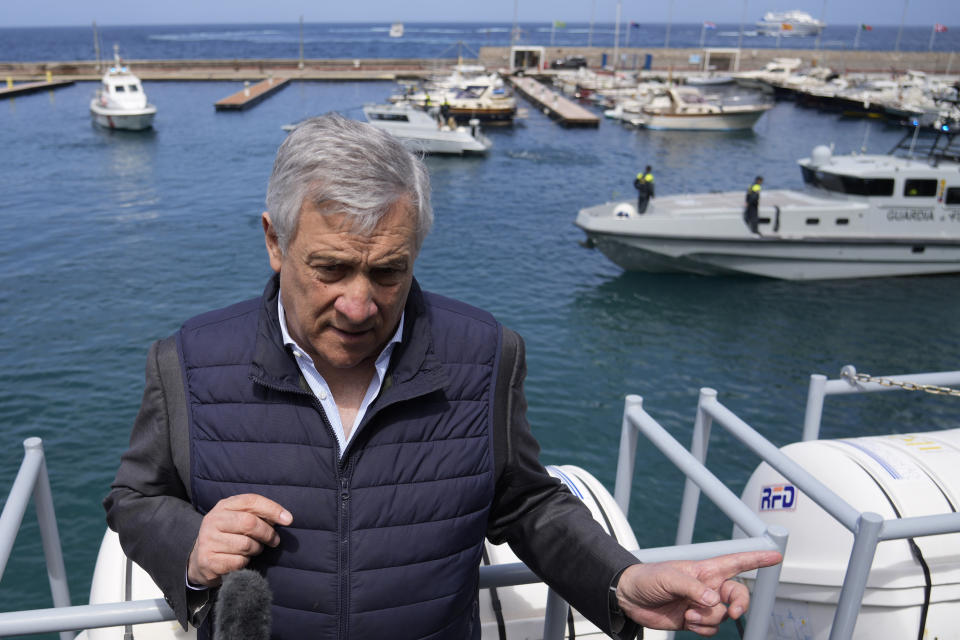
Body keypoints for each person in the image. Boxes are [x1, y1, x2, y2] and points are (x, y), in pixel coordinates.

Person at [104, 113, 780, 640]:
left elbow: (523, 502)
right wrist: (192, 545)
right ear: (275, 242)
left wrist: (622, 580)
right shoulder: (188, 360)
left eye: (389, 270)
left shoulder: (485, 354)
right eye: (331, 268)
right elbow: (135, 498)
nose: (360, 303)